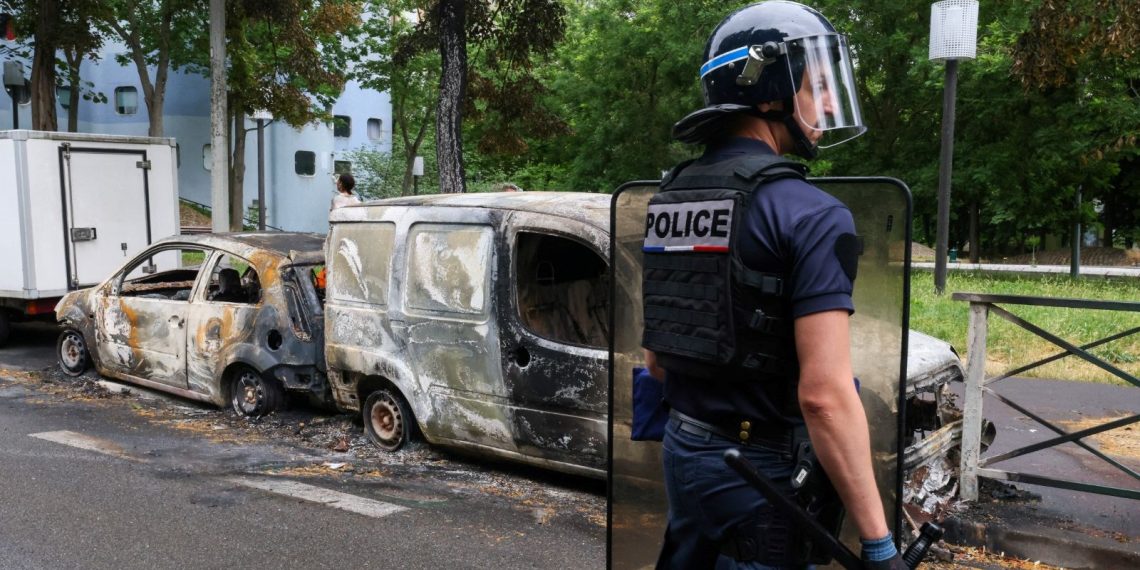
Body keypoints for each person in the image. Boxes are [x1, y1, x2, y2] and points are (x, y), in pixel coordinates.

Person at [641, 2, 904, 568]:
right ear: (769, 91)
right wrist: (879, 545)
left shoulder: (673, 198)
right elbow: (825, 397)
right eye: (819, 85)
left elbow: (659, 360)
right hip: (760, 473)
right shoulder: (812, 215)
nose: (830, 103)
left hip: (687, 453)